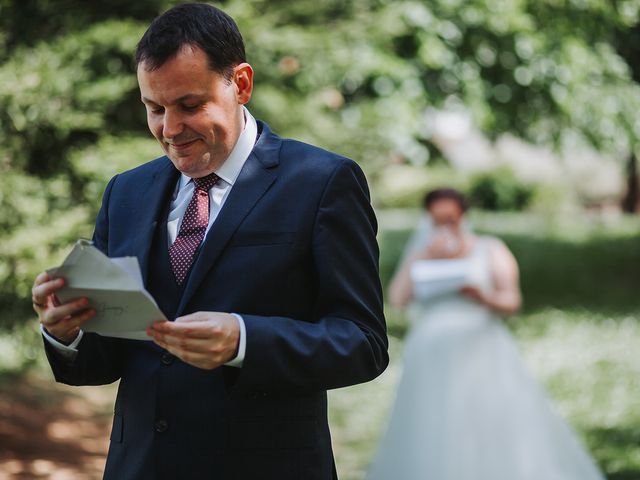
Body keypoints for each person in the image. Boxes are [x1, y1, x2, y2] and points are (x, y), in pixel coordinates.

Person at [30, 4, 388, 479]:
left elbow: (363, 343)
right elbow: (104, 360)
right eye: (154, 109)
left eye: (189, 105)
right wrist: (65, 331)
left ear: (240, 83)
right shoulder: (126, 192)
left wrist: (246, 340)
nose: (170, 130)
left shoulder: (323, 182)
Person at [367, 188, 605, 480]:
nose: (444, 226)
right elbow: (398, 299)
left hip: (480, 349)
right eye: (437, 220)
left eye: (450, 219)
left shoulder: (490, 249)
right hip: (431, 355)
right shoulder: (421, 254)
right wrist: (424, 257)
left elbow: (512, 302)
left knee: (487, 418)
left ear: (463, 216)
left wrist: (481, 296)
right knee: (433, 422)